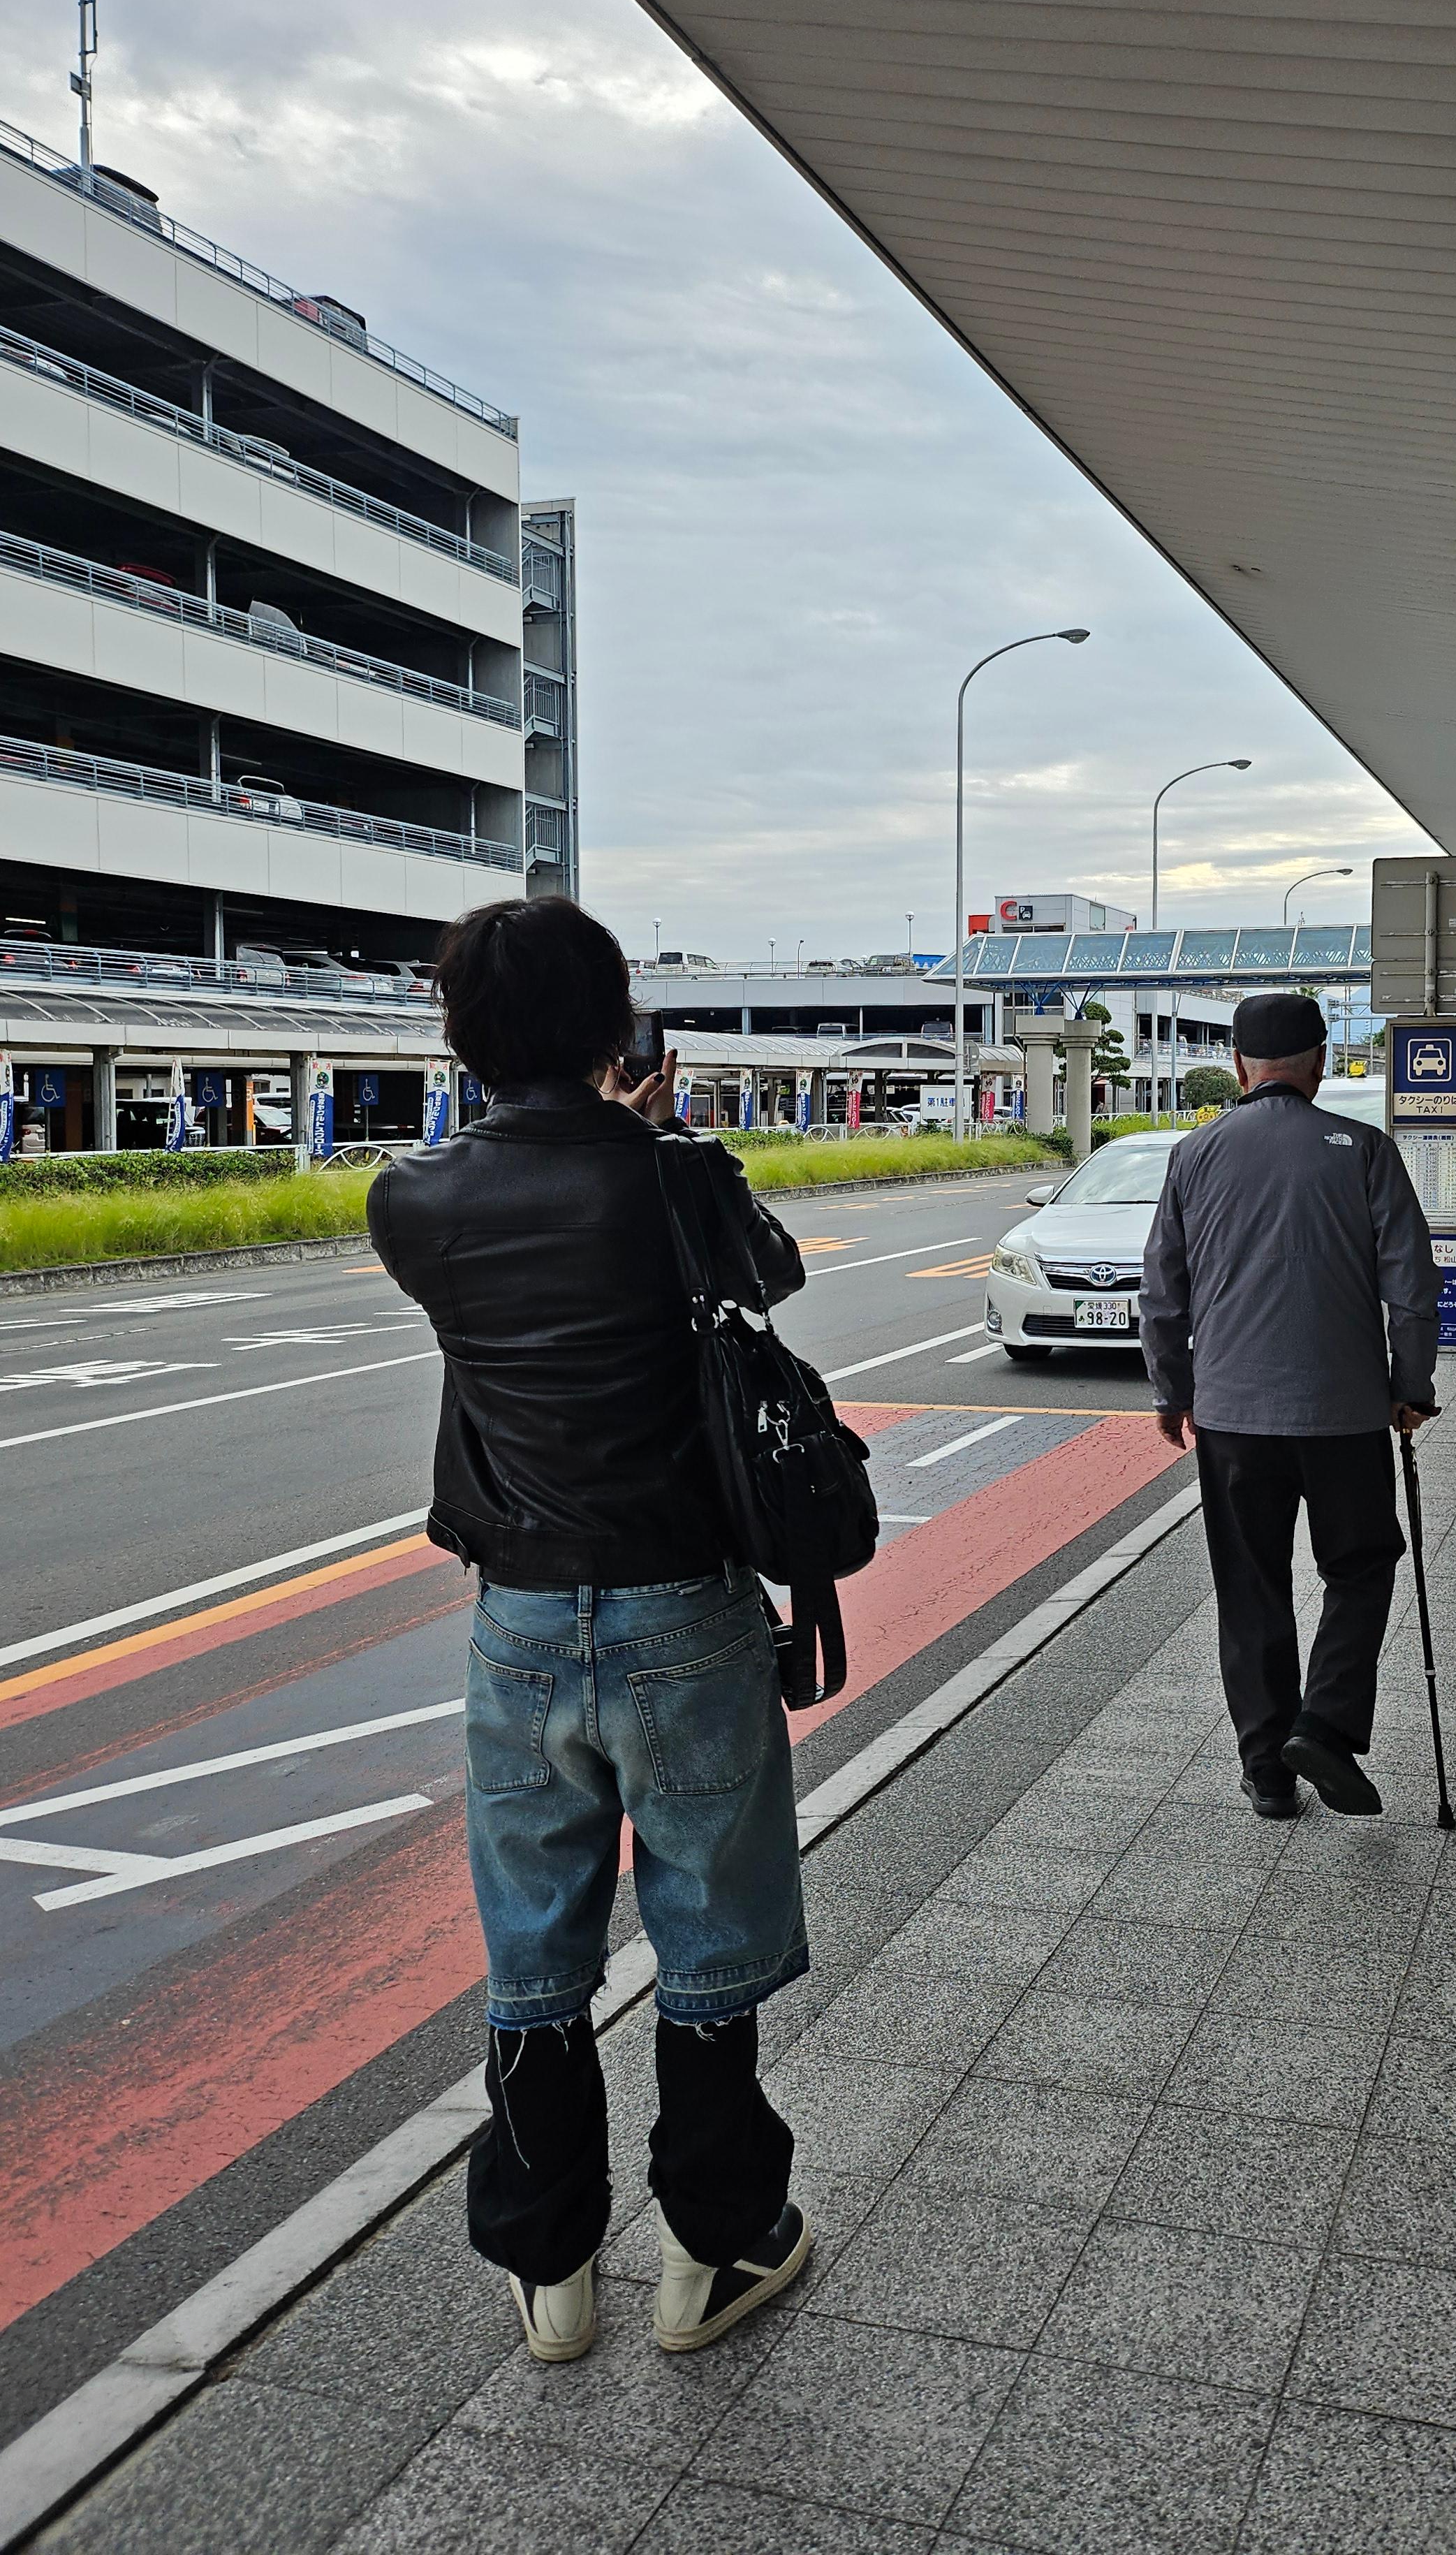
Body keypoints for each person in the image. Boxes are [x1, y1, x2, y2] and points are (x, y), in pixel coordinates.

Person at [368, 895, 811, 2366]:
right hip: (685, 1606)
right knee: (711, 1935)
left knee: (534, 1945)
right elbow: (773, 1275)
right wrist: (657, 1134)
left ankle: (550, 2267)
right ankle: (715, 2249)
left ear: (463, 1033)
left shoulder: (411, 1199)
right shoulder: (671, 1177)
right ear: (617, 1023)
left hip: (519, 1616)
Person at [1138, 992, 1441, 1819]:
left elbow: (1162, 1293)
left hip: (1232, 1416)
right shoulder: (1365, 1150)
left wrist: (1172, 1390)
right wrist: (1411, 1386)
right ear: (1320, 1064)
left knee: (1251, 1585)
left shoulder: (1193, 1154)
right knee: (1362, 1564)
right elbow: (1413, 1285)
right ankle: (1327, 1725)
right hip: (1346, 1413)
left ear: (1239, 1065)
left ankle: (1268, 1772)